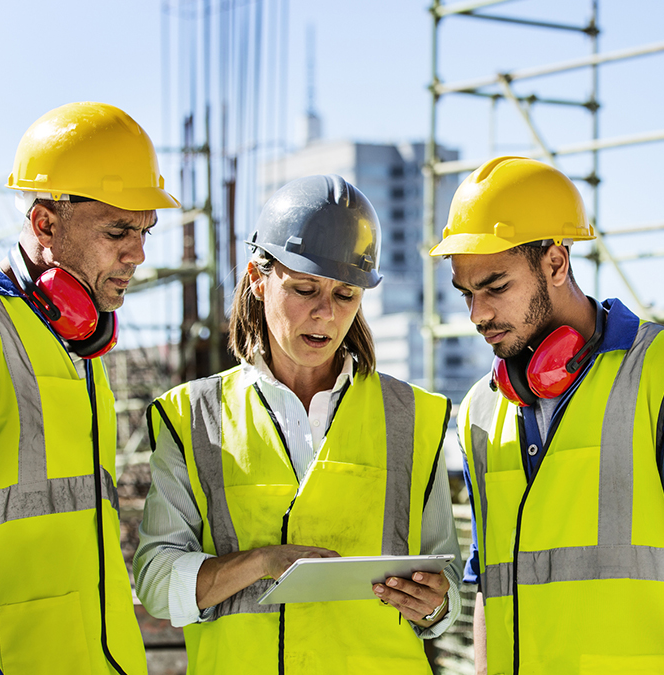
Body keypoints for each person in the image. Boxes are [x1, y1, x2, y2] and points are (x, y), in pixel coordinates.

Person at [430, 156, 664, 675]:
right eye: (467, 294)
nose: (479, 314)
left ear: (556, 264)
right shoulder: (479, 410)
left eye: (496, 286)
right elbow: (491, 589)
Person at [133, 174, 462, 674]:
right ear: (258, 278)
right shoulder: (191, 418)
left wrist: (436, 604)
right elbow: (157, 583)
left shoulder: (414, 417)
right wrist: (262, 564)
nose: (325, 314)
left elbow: (448, 583)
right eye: (305, 288)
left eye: (347, 295)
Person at [0, 102, 179, 673]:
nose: (139, 253)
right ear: (44, 224)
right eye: (118, 230)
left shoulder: (78, 346)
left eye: (145, 231)